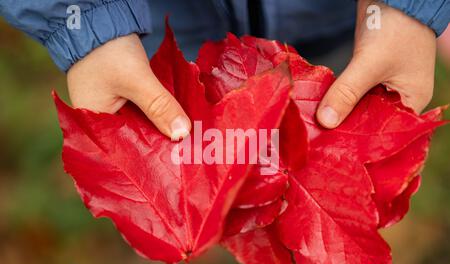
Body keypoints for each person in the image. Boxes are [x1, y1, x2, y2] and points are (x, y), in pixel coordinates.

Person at [1, 0, 449, 141]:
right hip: (155, 31)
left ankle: (299, 231)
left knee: (321, 124)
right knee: (195, 143)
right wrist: (84, 18)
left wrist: (409, 6)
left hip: (338, 24)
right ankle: (220, 222)